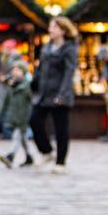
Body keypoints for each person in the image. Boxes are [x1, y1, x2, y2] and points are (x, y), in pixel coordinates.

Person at [30, 16, 79, 174]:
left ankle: (61, 162)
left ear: (63, 30)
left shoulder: (69, 49)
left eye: (54, 27)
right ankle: (46, 151)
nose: (50, 30)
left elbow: (68, 72)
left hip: (60, 94)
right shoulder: (47, 47)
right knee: (34, 121)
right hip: (44, 93)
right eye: (50, 27)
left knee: (61, 129)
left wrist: (63, 94)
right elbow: (40, 69)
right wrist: (33, 84)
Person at [0, 60, 36, 168]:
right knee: (22, 138)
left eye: (18, 70)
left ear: (23, 72)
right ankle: (29, 157)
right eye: (14, 70)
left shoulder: (27, 86)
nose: (15, 72)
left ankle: (10, 156)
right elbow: (5, 102)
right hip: (15, 115)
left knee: (17, 136)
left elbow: (32, 101)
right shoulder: (12, 85)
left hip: (24, 116)